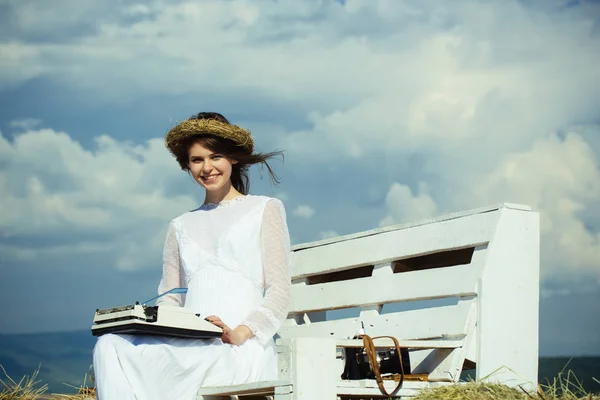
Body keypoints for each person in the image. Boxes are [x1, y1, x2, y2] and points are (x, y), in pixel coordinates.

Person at [92, 112, 291, 400]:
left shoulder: (264, 209)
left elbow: (279, 292)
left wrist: (241, 332)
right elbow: (170, 296)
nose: (207, 167)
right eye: (197, 160)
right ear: (187, 165)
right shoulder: (180, 225)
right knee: (110, 344)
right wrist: (156, 323)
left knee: (191, 362)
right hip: (193, 342)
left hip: (239, 347)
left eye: (216, 157)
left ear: (233, 158)